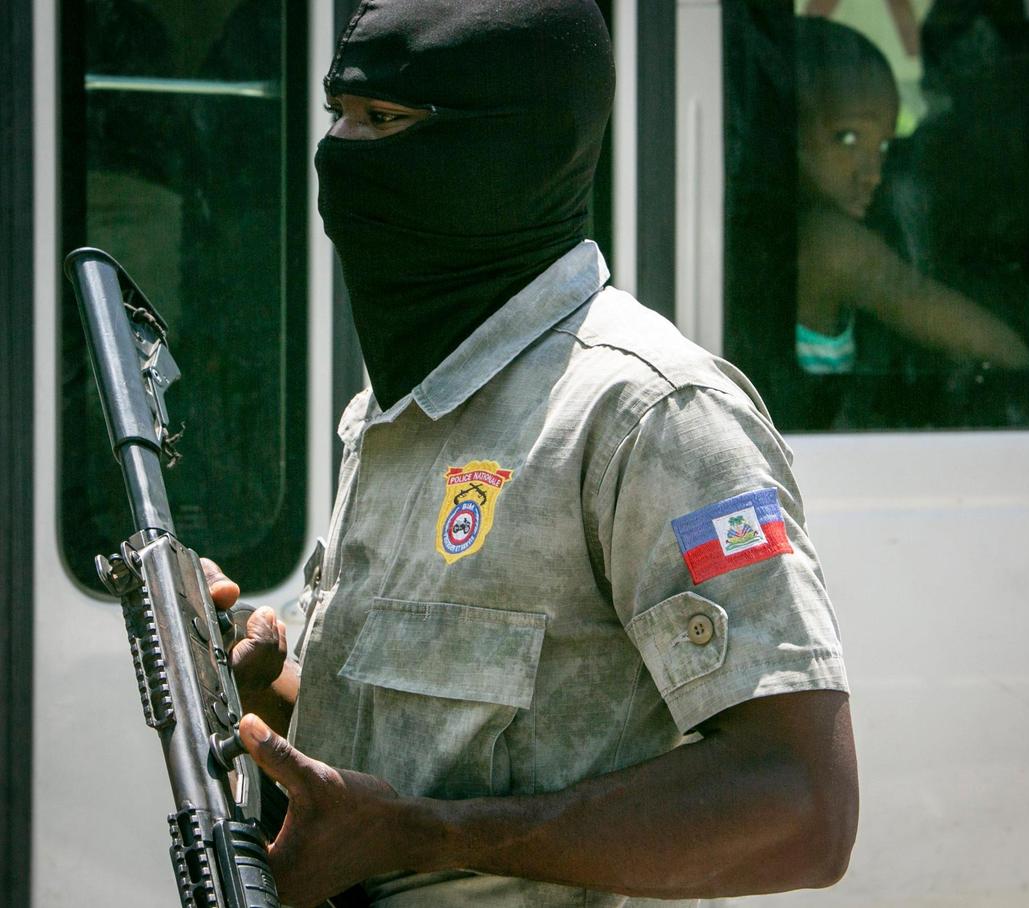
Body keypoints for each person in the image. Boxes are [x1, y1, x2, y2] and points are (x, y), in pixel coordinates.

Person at [206, 2, 857, 905]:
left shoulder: (651, 414)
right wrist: (263, 687)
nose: (340, 155)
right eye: (338, 114)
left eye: (386, 121)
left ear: (513, 149)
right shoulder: (398, 410)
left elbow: (800, 809)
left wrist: (418, 836)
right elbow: (416, 748)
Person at [794, 16, 1029, 377]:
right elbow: (1004, 352)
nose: (873, 174)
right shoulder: (832, 244)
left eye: (885, 145)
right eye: (847, 138)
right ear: (786, 129)